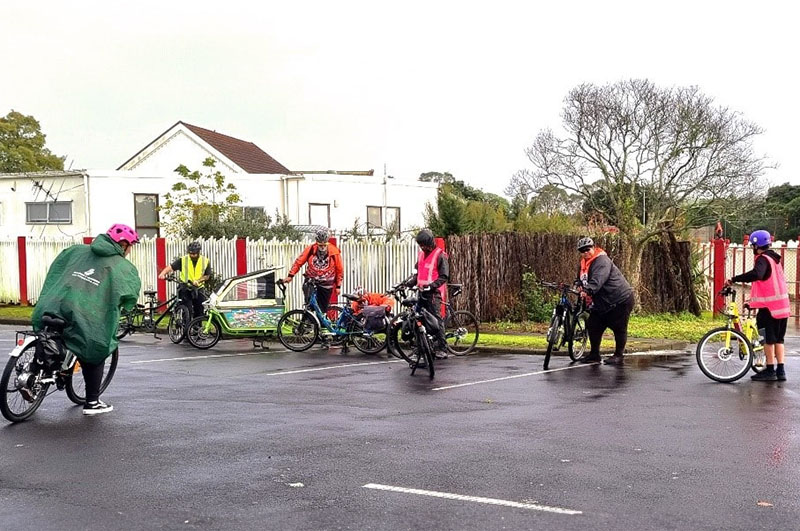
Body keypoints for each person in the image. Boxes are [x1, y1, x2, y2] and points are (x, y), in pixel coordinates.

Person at [32, 224, 142, 415]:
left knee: (48, 335)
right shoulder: (122, 266)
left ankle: (35, 372)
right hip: (81, 313)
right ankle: (92, 402)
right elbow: (129, 295)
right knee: (96, 347)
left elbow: (56, 271)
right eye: (130, 246)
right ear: (124, 244)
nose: (130, 250)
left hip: (53, 304)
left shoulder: (76, 251)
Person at [727, 230, 790, 381]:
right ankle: (780, 371)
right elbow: (767, 284)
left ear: (757, 245)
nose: (752, 248)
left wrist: (735, 278)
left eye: (753, 245)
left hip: (769, 309)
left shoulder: (762, 259)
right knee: (779, 340)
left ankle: (769, 370)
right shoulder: (775, 260)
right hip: (782, 306)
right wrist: (752, 301)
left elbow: (757, 275)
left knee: (767, 339)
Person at [574, 236, 635, 366]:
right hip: (602, 301)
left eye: (588, 249)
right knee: (593, 325)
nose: (585, 252)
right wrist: (578, 284)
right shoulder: (584, 263)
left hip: (619, 298)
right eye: (582, 250)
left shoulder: (601, 261)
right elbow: (581, 278)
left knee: (619, 327)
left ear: (593, 248)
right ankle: (594, 354)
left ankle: (618, 355)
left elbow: (598, 280)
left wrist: (588, 290)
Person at [402, 228, 449, 359]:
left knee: (436, 320)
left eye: (423, 244)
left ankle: (442, 348)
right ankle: (420, 347)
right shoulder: (421, 255)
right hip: (421, 293)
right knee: (419, 320)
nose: (422, 247)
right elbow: (417, 274)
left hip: (433, 294)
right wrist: (408, 283)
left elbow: (444, 276)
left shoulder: (440, 255)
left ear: (429, 242)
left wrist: (431, 286)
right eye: (420, 245)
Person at [282, 229, 343, 314]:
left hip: (326, 283)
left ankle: (321, 323)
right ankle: (308, 321)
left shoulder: (334, 252)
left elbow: (339, 269)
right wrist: (291, 275)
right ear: (316, 242)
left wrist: (338, 286)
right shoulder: (310, 249)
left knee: (322, 309)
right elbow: (299, 261)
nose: (322, 247)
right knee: (309, 305)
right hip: (311, 280)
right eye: (320, 245)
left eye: (324, 245)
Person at [158, 241, 211, 318]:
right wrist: (163, 273)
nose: (192, 255)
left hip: (198, 288)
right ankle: (185, 326)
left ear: (198, 252)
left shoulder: (205, 261)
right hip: (185, 287)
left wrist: (198, 281)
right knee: (187, 309)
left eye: (194, 254)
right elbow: (171, 267)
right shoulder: (183, 260)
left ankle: (197, 327)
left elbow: (207, 276)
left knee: (199, 309)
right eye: (190, 253)